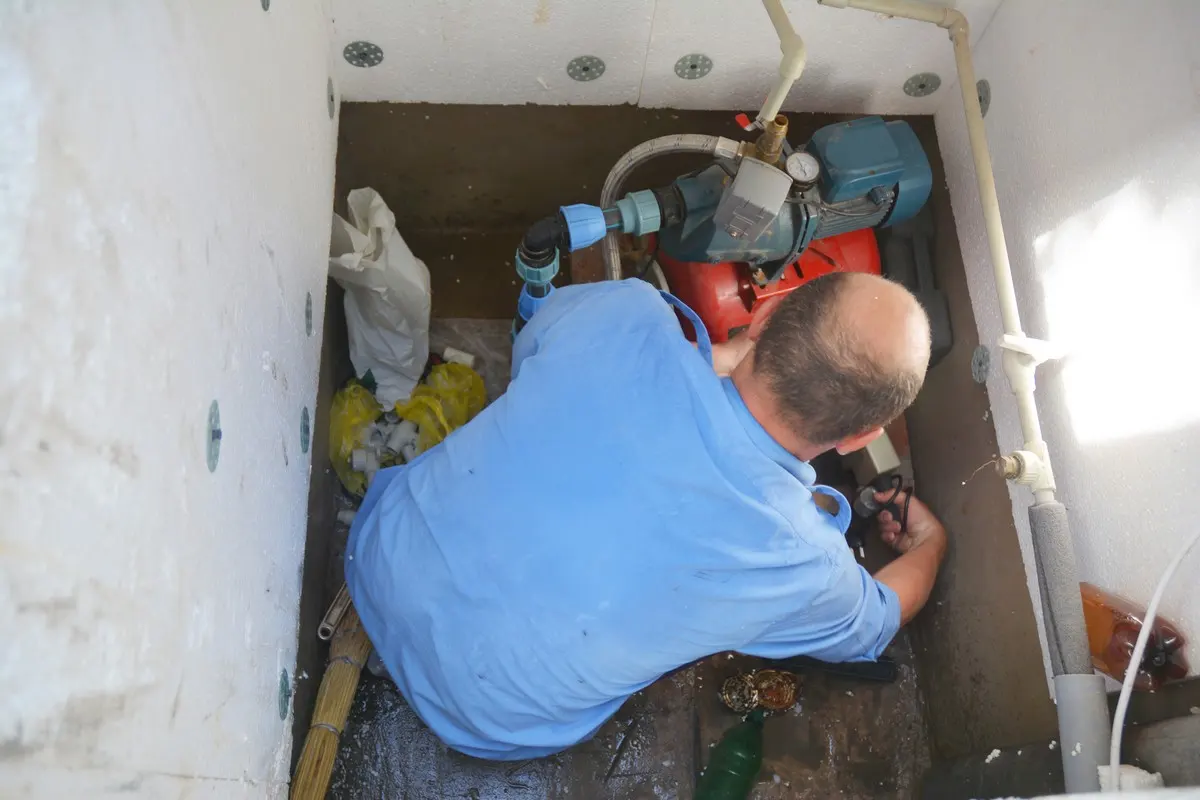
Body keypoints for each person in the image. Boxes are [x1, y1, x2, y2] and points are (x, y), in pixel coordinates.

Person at [344, 272, 948, 761]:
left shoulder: (624, 315)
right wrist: (931, 541)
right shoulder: (805, 563)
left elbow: (530, 347)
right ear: (860, 436)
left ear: (764, 317)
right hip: (479, 713)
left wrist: (716, 360)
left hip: (377, 556)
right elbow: (876, 622)